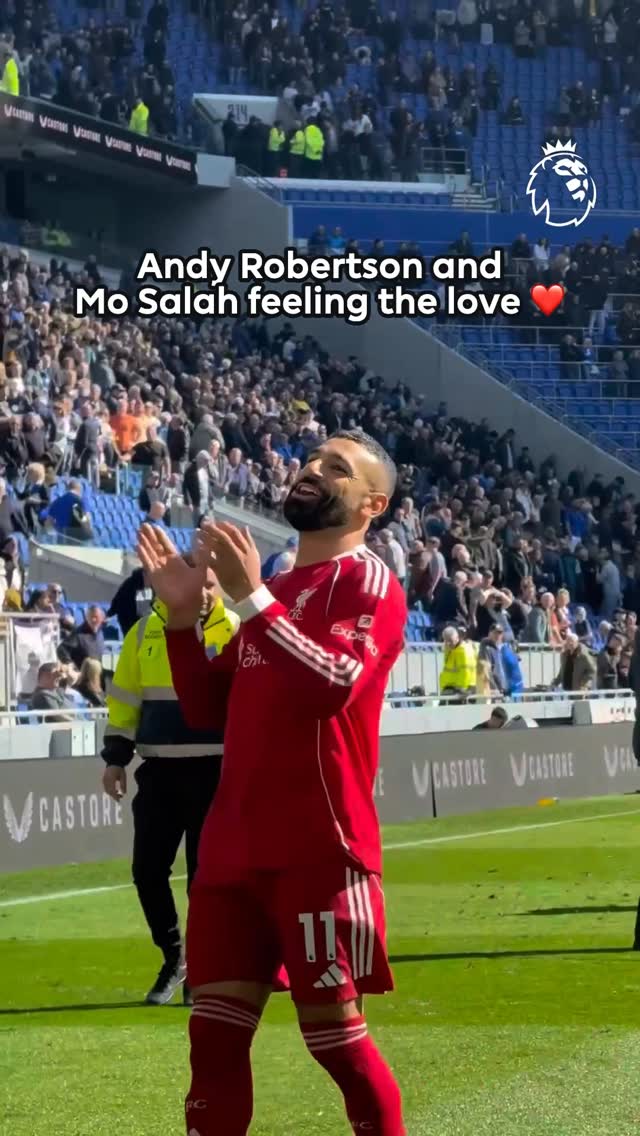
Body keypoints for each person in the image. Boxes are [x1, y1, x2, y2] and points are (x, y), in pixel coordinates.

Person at [137, 427, 408, 1136]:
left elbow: (333, 685)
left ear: (370, 505)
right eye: (311, 458)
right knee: (214, 1041)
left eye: (336, 467)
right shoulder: (277, 590)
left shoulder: (365, 581)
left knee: (335, 1043)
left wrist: (251, 598)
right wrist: (181, 618)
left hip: (318, 848)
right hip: (232, 853)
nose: (312, 468)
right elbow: (207, 708)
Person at [101, 554, 239, 1007]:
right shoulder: (142, 633)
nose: (202, 593)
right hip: (158, 772)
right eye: (193, 583)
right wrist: (115, 759)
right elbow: (123, 701)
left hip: (216, 772)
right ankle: (175, 957)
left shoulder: (235, 629)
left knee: (204, 879)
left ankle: (202, 964)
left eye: (210, 584)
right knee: (146, 872)